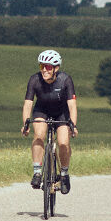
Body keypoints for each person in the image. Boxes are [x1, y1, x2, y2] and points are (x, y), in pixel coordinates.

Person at [22, 49, 78, 194]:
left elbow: (72, 105)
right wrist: (25, 123)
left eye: (48, 67)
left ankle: (64, 174)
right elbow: (28, 103)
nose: (44, 70)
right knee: (39, 135)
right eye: (42, 66)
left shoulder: (65, 79)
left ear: (56, 68)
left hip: (61, 113)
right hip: (42, 110)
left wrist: (73, 124)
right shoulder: (34, 80)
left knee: (63, 142)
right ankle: (37, 172)